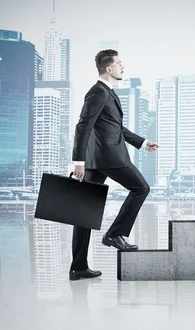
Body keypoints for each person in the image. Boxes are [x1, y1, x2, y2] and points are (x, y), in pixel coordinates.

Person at [68, 49, 159, 281]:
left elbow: (115, 127)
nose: (122, 67)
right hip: (109, 158)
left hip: (99, 159)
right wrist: (78, 161)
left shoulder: (107, 93)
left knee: (84, 213)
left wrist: (142, 142)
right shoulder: (97, 92)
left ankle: (78, 268)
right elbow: (83, 126)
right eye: (119, 63)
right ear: (108, 68)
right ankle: (115, 234)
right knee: (141, 188)